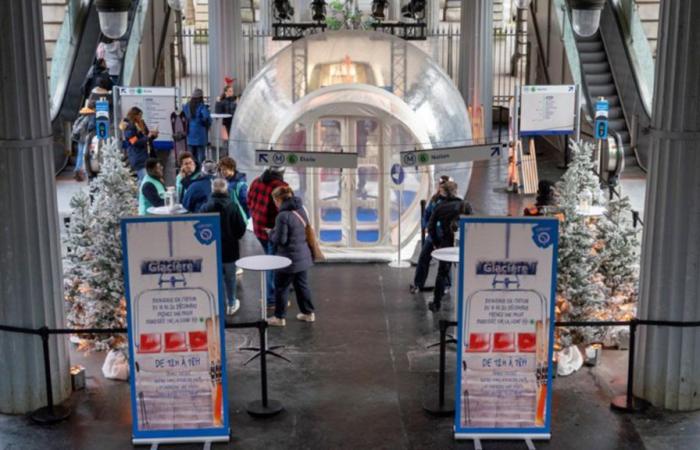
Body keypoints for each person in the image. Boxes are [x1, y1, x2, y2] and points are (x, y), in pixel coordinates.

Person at [267, 186, 315, 327]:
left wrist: (270, 233)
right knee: (302, 286)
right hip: (303, 256)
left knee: (281, 288)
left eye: (274, 200)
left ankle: (279, 317)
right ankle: (308, 313)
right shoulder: (301, 209)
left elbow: (281, 240)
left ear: (278, 199)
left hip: (287, 259)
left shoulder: (282, 216)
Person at [200, 178, 247, 315]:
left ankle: (218, 306)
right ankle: (231, 303)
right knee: (230, 278)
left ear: (212, 189)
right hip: (230, 249)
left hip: (211, 250)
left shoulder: (205, 207)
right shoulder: (232, 206)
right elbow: (241, 228)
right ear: (226, 189)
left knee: (216, 278)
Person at [247, 167, 288, 307]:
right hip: (272, 231)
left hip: (258, 228)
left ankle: (270, 293)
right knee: (274, 265)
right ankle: (271, 298)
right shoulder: (281, 187)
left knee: (268, 262)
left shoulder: (255, 182)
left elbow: (248, 202)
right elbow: (285, 211)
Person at [427, 184, 472, 312]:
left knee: (442, 272)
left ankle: (436, 304)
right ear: (456, 191)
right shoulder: (465, 205)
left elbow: (431, 227)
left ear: (444, 193)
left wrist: (436, 243)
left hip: (446, 243)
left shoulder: (439, 207)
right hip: (464, 243)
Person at [410, 176, 453, 294]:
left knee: (445, 261)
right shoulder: (434, 199)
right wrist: (426, 225)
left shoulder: (452, 201)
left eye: (443, 185)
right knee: (423, 258)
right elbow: (427, 213)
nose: (441, 188)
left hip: (445, 236)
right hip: (432, 235)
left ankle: (446, 285)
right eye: (440, 185)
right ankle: (418, 284)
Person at [121, 106, 158, 183]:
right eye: (139, 115)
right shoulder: (129, 127)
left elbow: (147, 136)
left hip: (147, 156)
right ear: (134, 116)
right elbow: (134, 142)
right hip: (138, 157)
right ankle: (140, 194)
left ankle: (140, 193)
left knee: (144, 180)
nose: (141, 117)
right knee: (144, 180)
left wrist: (153, 135)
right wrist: (148, 137)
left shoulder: (141, 123)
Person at [183, 88, 211, 164]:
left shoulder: (186, 106)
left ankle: (191, 171)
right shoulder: (202, 106)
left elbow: (183, 116)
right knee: (201, 157)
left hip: (190, 134)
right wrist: (206, 124)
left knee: (190, 156)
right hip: (200, 134)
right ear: (201, 97)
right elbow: (206, 117)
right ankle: (199, 173)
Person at [71, 101, 96, 181]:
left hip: (80, 138)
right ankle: (84, 171)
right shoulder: (91, 116)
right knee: (85, 155)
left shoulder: (84, 114)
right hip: (86, 138)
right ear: (94, 108)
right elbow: (91, 127)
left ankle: (77, 170)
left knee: (80, 154)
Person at [218, 156, 248, 220]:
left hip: (237, 219)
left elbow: (245, 203)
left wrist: (243, 219)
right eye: (221, 169)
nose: (222, 172)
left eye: (225, 169)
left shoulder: (240, 184)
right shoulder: (226, 181)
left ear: (232, 168)